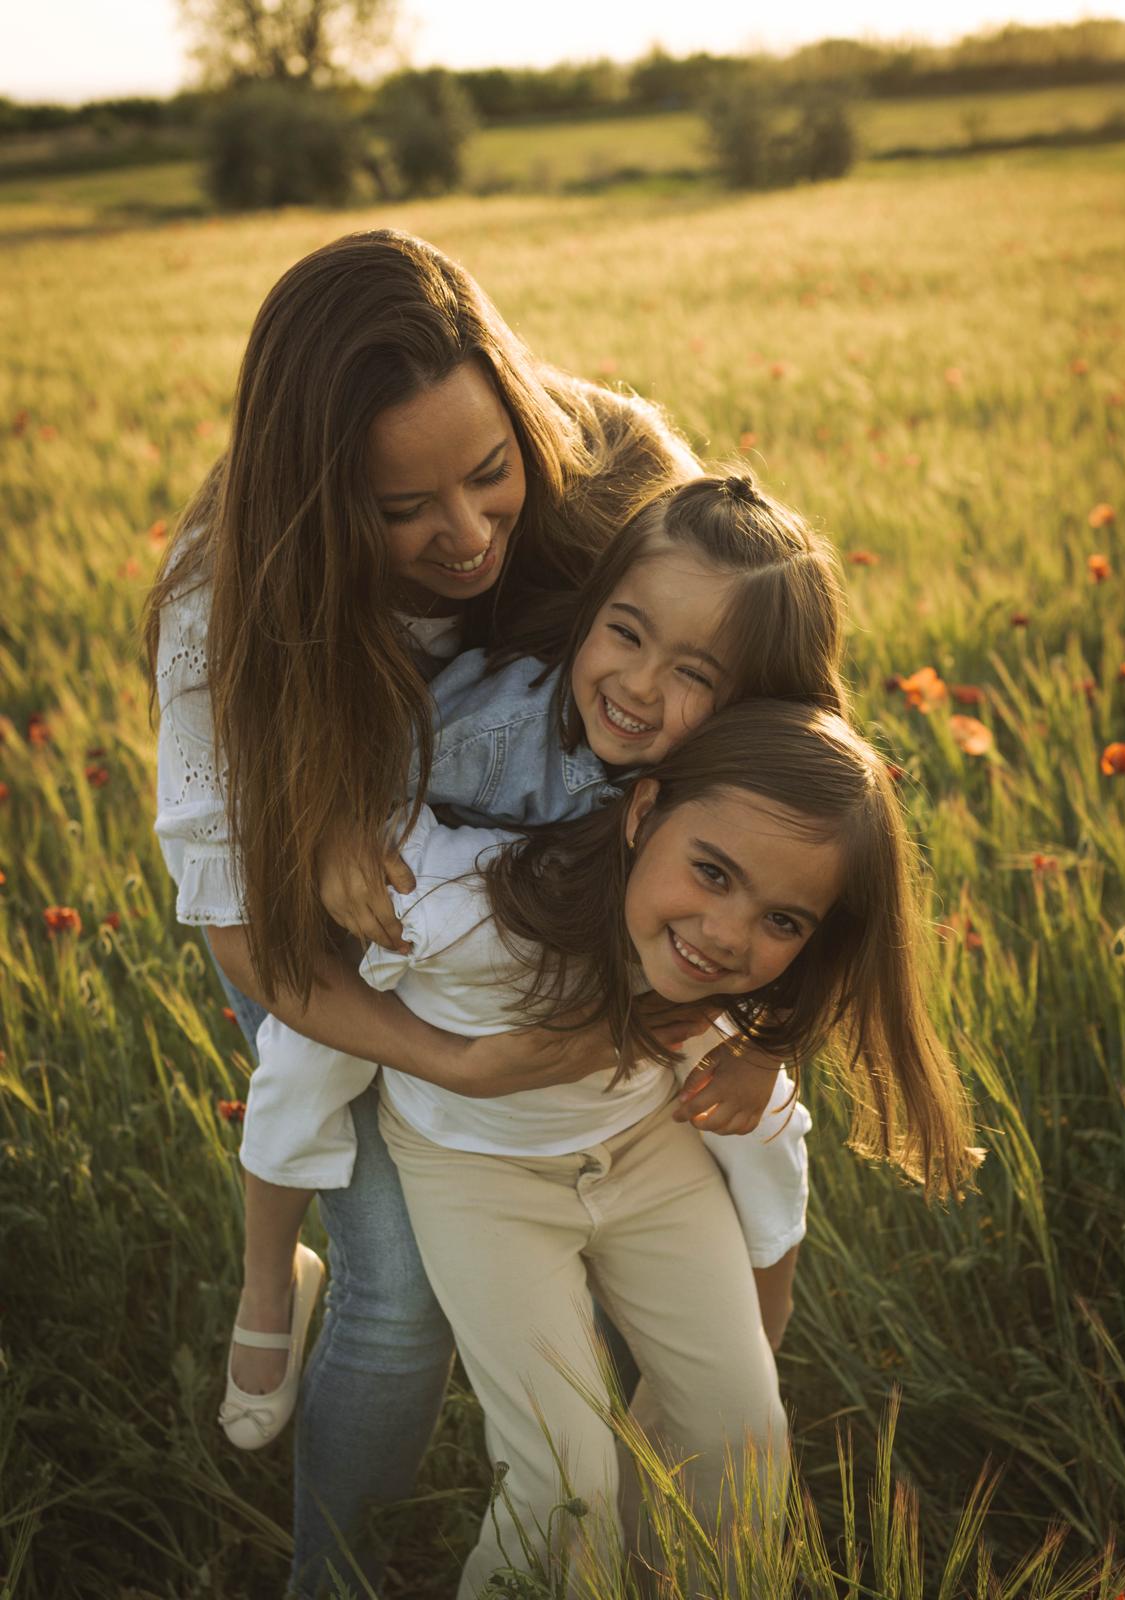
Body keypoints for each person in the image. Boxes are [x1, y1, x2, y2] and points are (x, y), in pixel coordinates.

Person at [144, 228, 777, 1596]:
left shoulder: (612, 463)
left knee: (635, 1202)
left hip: (539, 907)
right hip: (327, 939)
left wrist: (752, 1013)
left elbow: (768, 731)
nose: (471, 533)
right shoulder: (226, 595)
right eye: (401, 511)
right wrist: (450, 1059)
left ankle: (633, 1534)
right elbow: (241, 931)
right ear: (318, 507)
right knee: (400, 1297)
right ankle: (335, 1573)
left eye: (492, 475)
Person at [229, 470, 848, 1450]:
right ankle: (269, 1272)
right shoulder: (489, 731)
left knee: (766, 1128)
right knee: (309, 1062)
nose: (641, 686)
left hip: (637, 973)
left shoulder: (751, 791)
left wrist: (768, 1050)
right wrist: (341, 827)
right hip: (410, 943)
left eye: (696, 675)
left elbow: (821, 922)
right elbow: (347, 760)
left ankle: (753, 1339)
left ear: (755, 705)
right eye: (627, 633)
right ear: (592, 612)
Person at [335, 699, 973, 1596]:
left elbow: (784, 1102)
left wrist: (766, 1049)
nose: (725, 935)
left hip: (649, 1150)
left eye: (782, 921)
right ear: (641, 813)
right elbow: (306, 983)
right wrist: (338, 838)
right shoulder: (472, 907)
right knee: (566, 1485)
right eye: (711, 872)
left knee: (740, 1433)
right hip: (477, 1173)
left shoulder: (738, 1021)